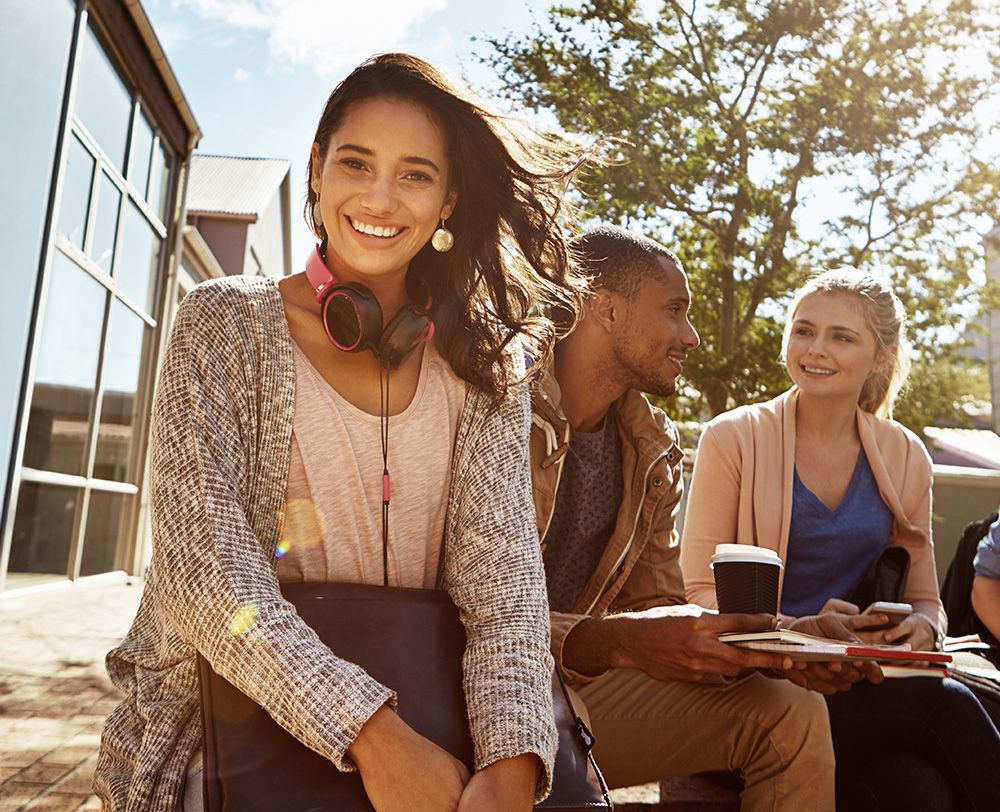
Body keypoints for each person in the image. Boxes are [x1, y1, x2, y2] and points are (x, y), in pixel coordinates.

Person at [95, 53, 594, 812]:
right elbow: (207, 578)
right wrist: (371, 737)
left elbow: (507, 594)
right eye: (356, 163)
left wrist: (514, 761)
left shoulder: (488, 363)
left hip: (441, 742)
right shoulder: (222, 322)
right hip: (229, 731)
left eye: (416, 174)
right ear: (318, 170)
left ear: (449, 199)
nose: (381, 197)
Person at [530, 225, 840, 812]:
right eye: (675, 311)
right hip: (478, 696)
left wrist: (781, 638)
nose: (691, 337)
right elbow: (456, 611)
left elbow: (658, 607)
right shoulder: (496, 410)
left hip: (579, 695)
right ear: (605, 308)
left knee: (788, 710)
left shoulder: (650, 446)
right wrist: (613, 641)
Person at [681, 268, 1000, 811]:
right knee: (945, 708)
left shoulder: (905, 456)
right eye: (804, 330)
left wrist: (921, 629)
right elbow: (697, 595)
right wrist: (796, 634)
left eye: (841, 336)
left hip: (858, 684)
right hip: (753, 688)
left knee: (917, 793)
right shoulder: (732, 438)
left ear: (881, 356)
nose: (815, 349)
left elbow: (928, 602)